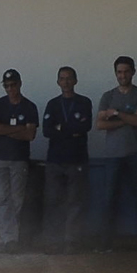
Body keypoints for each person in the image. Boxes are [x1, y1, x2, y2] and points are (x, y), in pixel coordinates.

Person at [90, 56, 137, 252]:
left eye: (126, 71)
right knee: (109, 200)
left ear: (133, 72)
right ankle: (105, 243)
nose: (122, 75)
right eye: (119, 72)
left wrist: (116, 113)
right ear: (115, 73)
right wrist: (129, 118)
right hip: (112, 155)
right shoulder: (108, 96)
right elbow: (99, 124)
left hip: (136, 154)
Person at [40, 67, 92, 253]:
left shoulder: (84, 102)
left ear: (76, 80)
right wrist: (71, 130)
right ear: (58, 82)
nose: (66, 82)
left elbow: (85, 126)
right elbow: (47, 130)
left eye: (69, 78)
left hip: (77, 160)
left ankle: (72, 241)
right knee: (53, 202)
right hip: (55, 160)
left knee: (75, 202)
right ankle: (53, 241)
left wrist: (61, 128)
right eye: (62, 79)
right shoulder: (53, 104)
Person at [0, 69, 40, 253]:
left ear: (20, 83)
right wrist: (19, 129)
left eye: (13, 85)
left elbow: (30, 134)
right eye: (7, 86)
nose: (10, 89)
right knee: (2, 199)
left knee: (17, 200)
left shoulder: (29, 106)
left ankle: (13, 238)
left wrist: (8, 130)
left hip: (19, 160)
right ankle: (6, 239)